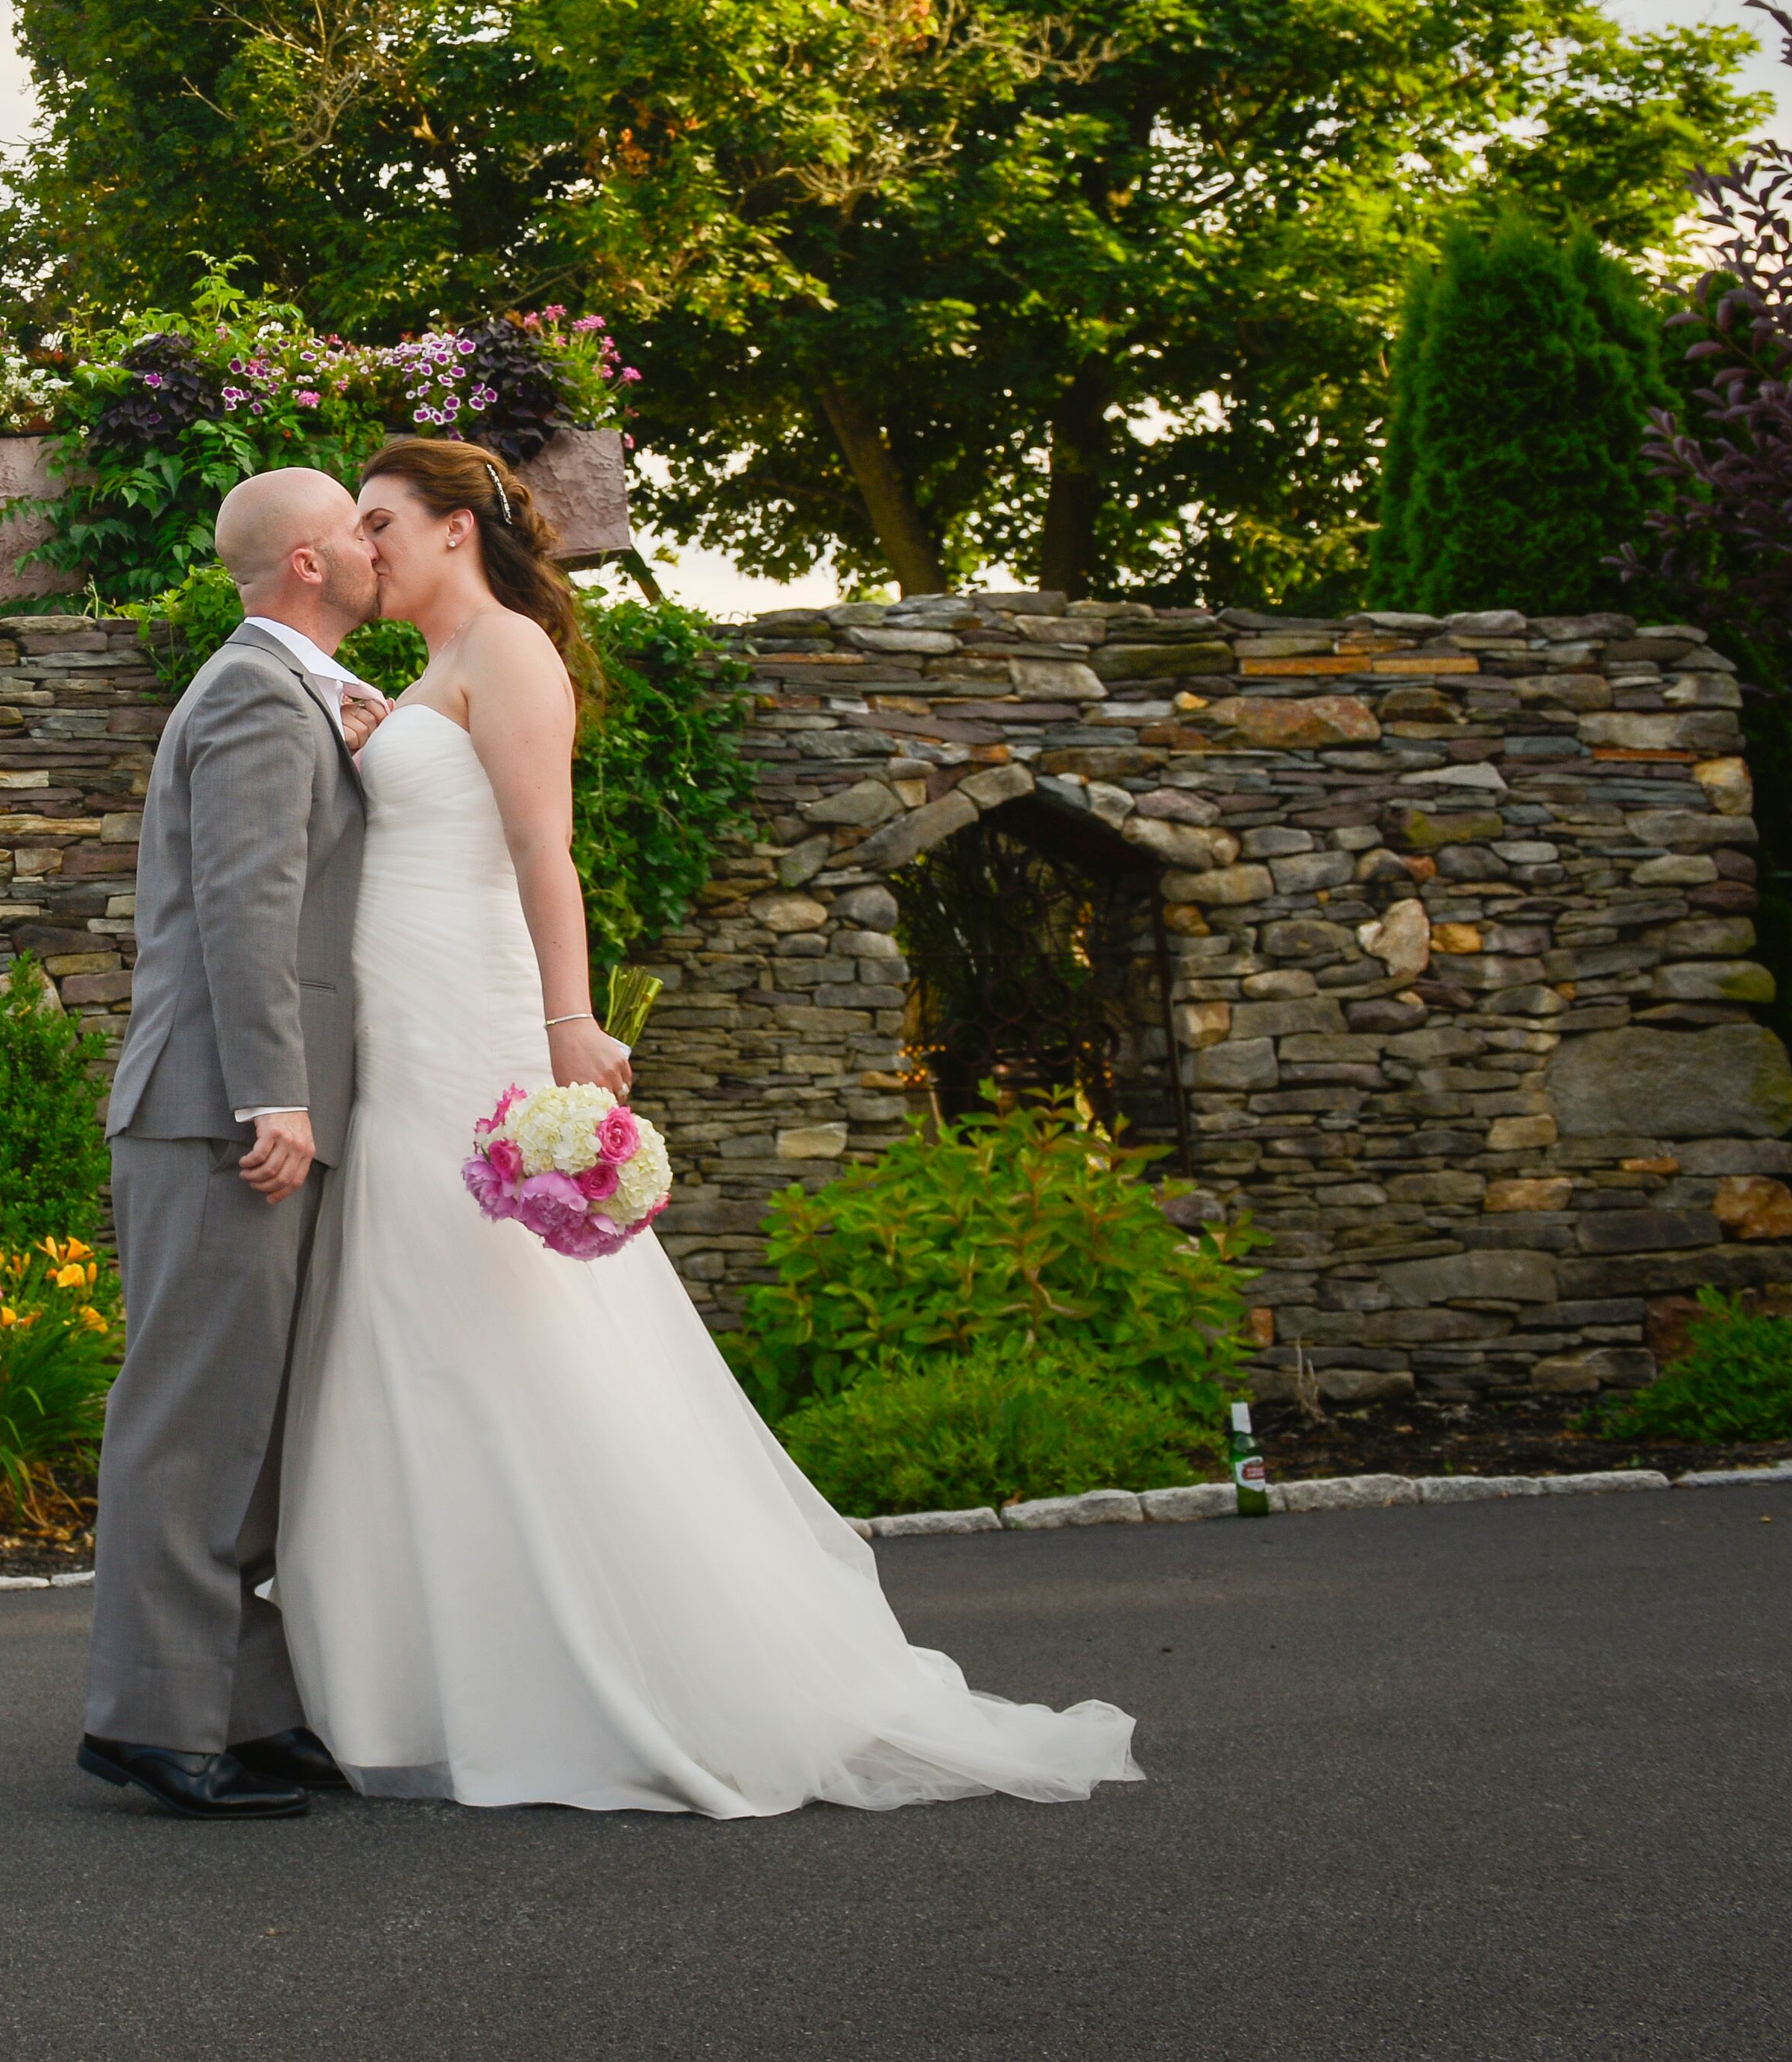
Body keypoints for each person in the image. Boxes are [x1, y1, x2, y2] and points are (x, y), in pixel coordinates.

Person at [263, 434, 1141, 1814]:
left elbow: (545, 851)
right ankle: (407, 1678)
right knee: (407, 1320)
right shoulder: (423, 677)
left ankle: (594, 1667)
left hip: (474, 1019)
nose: (362, 544)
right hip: (402, 1021)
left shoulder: (511, 655)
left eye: (380, 519)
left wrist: (569, 1027)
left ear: (450, 532)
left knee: (497, 1319)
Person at [74, 463, 380, 1819]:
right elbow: (246, 907)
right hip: (222, 1116)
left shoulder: (292, 693)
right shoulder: (257, 692)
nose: (381, 549)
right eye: (360, 532)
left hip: (237, 1109)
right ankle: (153, 1721)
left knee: (244, 1423)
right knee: (190, 1425)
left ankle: (242, 1706)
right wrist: (277, 1097)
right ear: (308, 561)